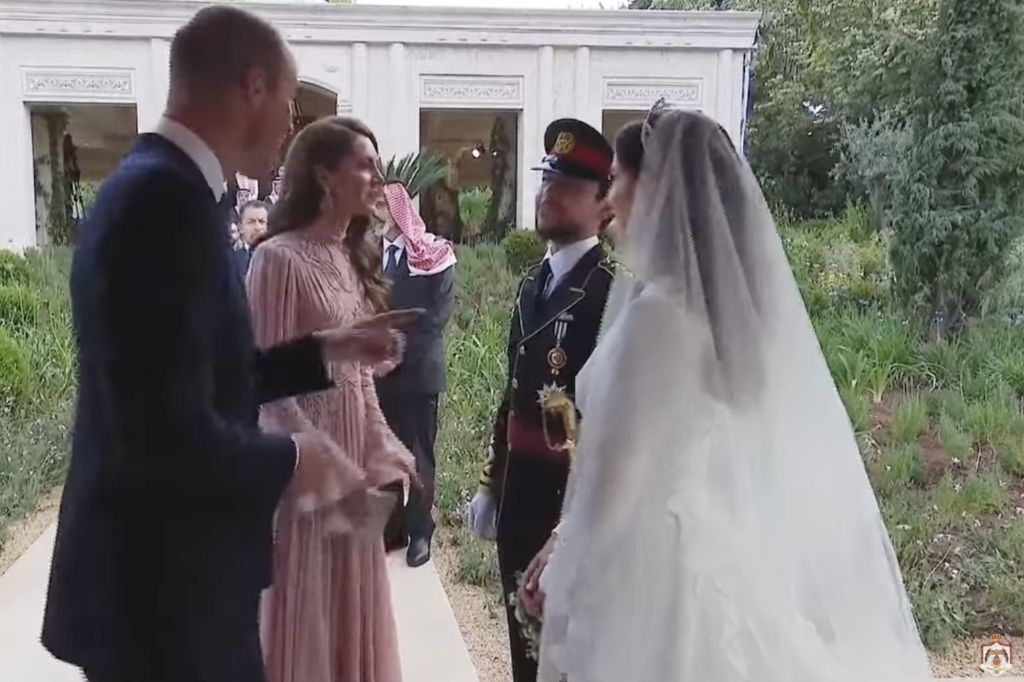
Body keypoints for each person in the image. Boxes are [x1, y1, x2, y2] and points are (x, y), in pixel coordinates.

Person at [41, 8, 419, 682]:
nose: (288, 126)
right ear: (252, 86)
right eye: (287, 101)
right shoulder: (161, 204)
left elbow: (199, 377)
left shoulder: (168, 189)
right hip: (161, 599)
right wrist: (299, 457)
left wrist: (324, 350)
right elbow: (164, 431)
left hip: (168, 586)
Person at [532, 109, 933, 682]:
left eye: (617, 178)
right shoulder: (702, 317)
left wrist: (562, 579)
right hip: (701, 549)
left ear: (656, 189)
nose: (609, 196)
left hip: (650, 579)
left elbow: (614, 489)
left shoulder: (657, 321)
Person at [250, 116, 416, 682]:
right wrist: (321, 465)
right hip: (306, 473)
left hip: (351, 472)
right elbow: (268, 389)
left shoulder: (349, 257)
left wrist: (384, 449)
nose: (377, 177)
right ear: (324, 174)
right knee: (312, 623)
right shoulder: (276, 259)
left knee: (356, 615)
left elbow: (359, 380)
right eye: (365, 164)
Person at [466, 118, 616, 682]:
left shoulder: (609, 293)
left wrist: (574, 524)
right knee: (524, 653)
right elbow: (514, 393)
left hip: (570, 506)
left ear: (605, 205)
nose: (548, 194)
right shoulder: (533, 284)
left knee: (569, 658)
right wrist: (490, 481)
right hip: (520, 498)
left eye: (569, 187)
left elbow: (608, 424)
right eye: (547, 181)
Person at [374, 182, 456, 567]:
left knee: (419, 457)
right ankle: (392, 529)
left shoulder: (435, 255)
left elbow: (435, 318)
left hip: (419, 373)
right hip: (380, 375)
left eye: (380, 206)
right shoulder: (372, 255)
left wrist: (396, 347)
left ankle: (421, 533)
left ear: (398, 211)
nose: (374, 213)